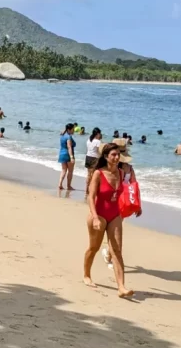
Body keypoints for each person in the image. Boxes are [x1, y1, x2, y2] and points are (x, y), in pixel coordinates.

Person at [84, 144, 134, 298]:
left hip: (115, 215)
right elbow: (90, 197)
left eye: (118, 154)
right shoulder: (98, 174)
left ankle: (121, 287)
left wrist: (135, 206)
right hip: (98, 214)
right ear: (106, 157)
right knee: (94, 247)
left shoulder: (120, 172)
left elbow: (127, 191)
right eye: (113, 154)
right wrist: (95, 217)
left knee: (117, 250)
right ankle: (86, 275)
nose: (117, 157)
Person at [57, 124, 76, 192]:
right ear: (69, 130)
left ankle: (60, 184)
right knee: (70, 171)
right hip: (68, 154)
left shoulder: (62, 136)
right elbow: (69, 147)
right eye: (73, 129)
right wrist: (71, 157)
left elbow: (62, 133)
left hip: (61, 154)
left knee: (63, 170)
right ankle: (68, 186)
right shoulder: (68, 137)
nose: (74, 130)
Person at [85, 128, 103, 194]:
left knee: (89, 174)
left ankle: (86, 188)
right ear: (97, 134)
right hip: (94, 158)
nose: (100, 135)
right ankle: (92, 189)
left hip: (88, 157)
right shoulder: (98, 141)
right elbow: (99, 151)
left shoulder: (89, 140)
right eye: (100, 133)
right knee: (94, 175)